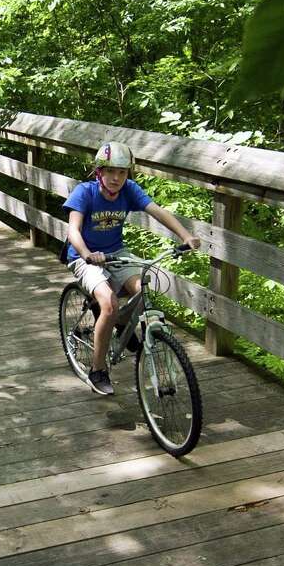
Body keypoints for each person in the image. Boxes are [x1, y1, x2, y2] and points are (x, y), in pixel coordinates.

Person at [64, 140, 200, 395]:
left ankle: (142, 338)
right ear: (99, 172)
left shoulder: (129, 190)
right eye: (111, 171)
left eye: (122, 172)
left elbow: (157, 211)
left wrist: (185, 236)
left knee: (143, 288)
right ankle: (97, 370)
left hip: (117, 252)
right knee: (109, 303)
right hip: (85, 257)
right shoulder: (85, 192)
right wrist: (87, 253)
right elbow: (73, 229)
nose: (116, 178)